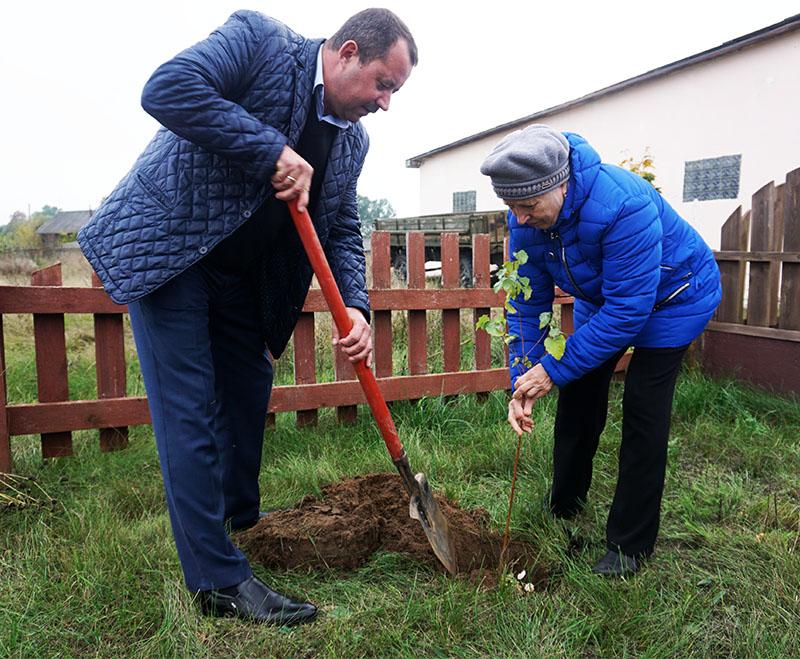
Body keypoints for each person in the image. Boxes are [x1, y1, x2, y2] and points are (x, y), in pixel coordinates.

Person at [78, 9, 416, 624]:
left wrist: (356, 305)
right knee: (189, 410)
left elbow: (341, 224)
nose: (386, 102)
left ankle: (237, 526)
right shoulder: (261, 44)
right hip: (171, 252)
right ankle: (217, 580)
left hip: (241, 278)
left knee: (247, 392)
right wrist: (271, 151)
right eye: (383, 84)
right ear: (346, 53)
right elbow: (167, 88)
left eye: (395, 91)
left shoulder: (352, 141)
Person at [480, 125, 721, 577]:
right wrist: (524, 377)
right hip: (608, 299)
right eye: (511, 207)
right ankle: (565, 503)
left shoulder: (623, 204)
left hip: (676, 297)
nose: (520, 218)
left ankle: (629, 545)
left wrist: (553, 369)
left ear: (561, 184)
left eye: (528, 206)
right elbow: (527, 303)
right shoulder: (525, 219)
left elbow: (629, 312)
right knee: (578, 393)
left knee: (643, 410)